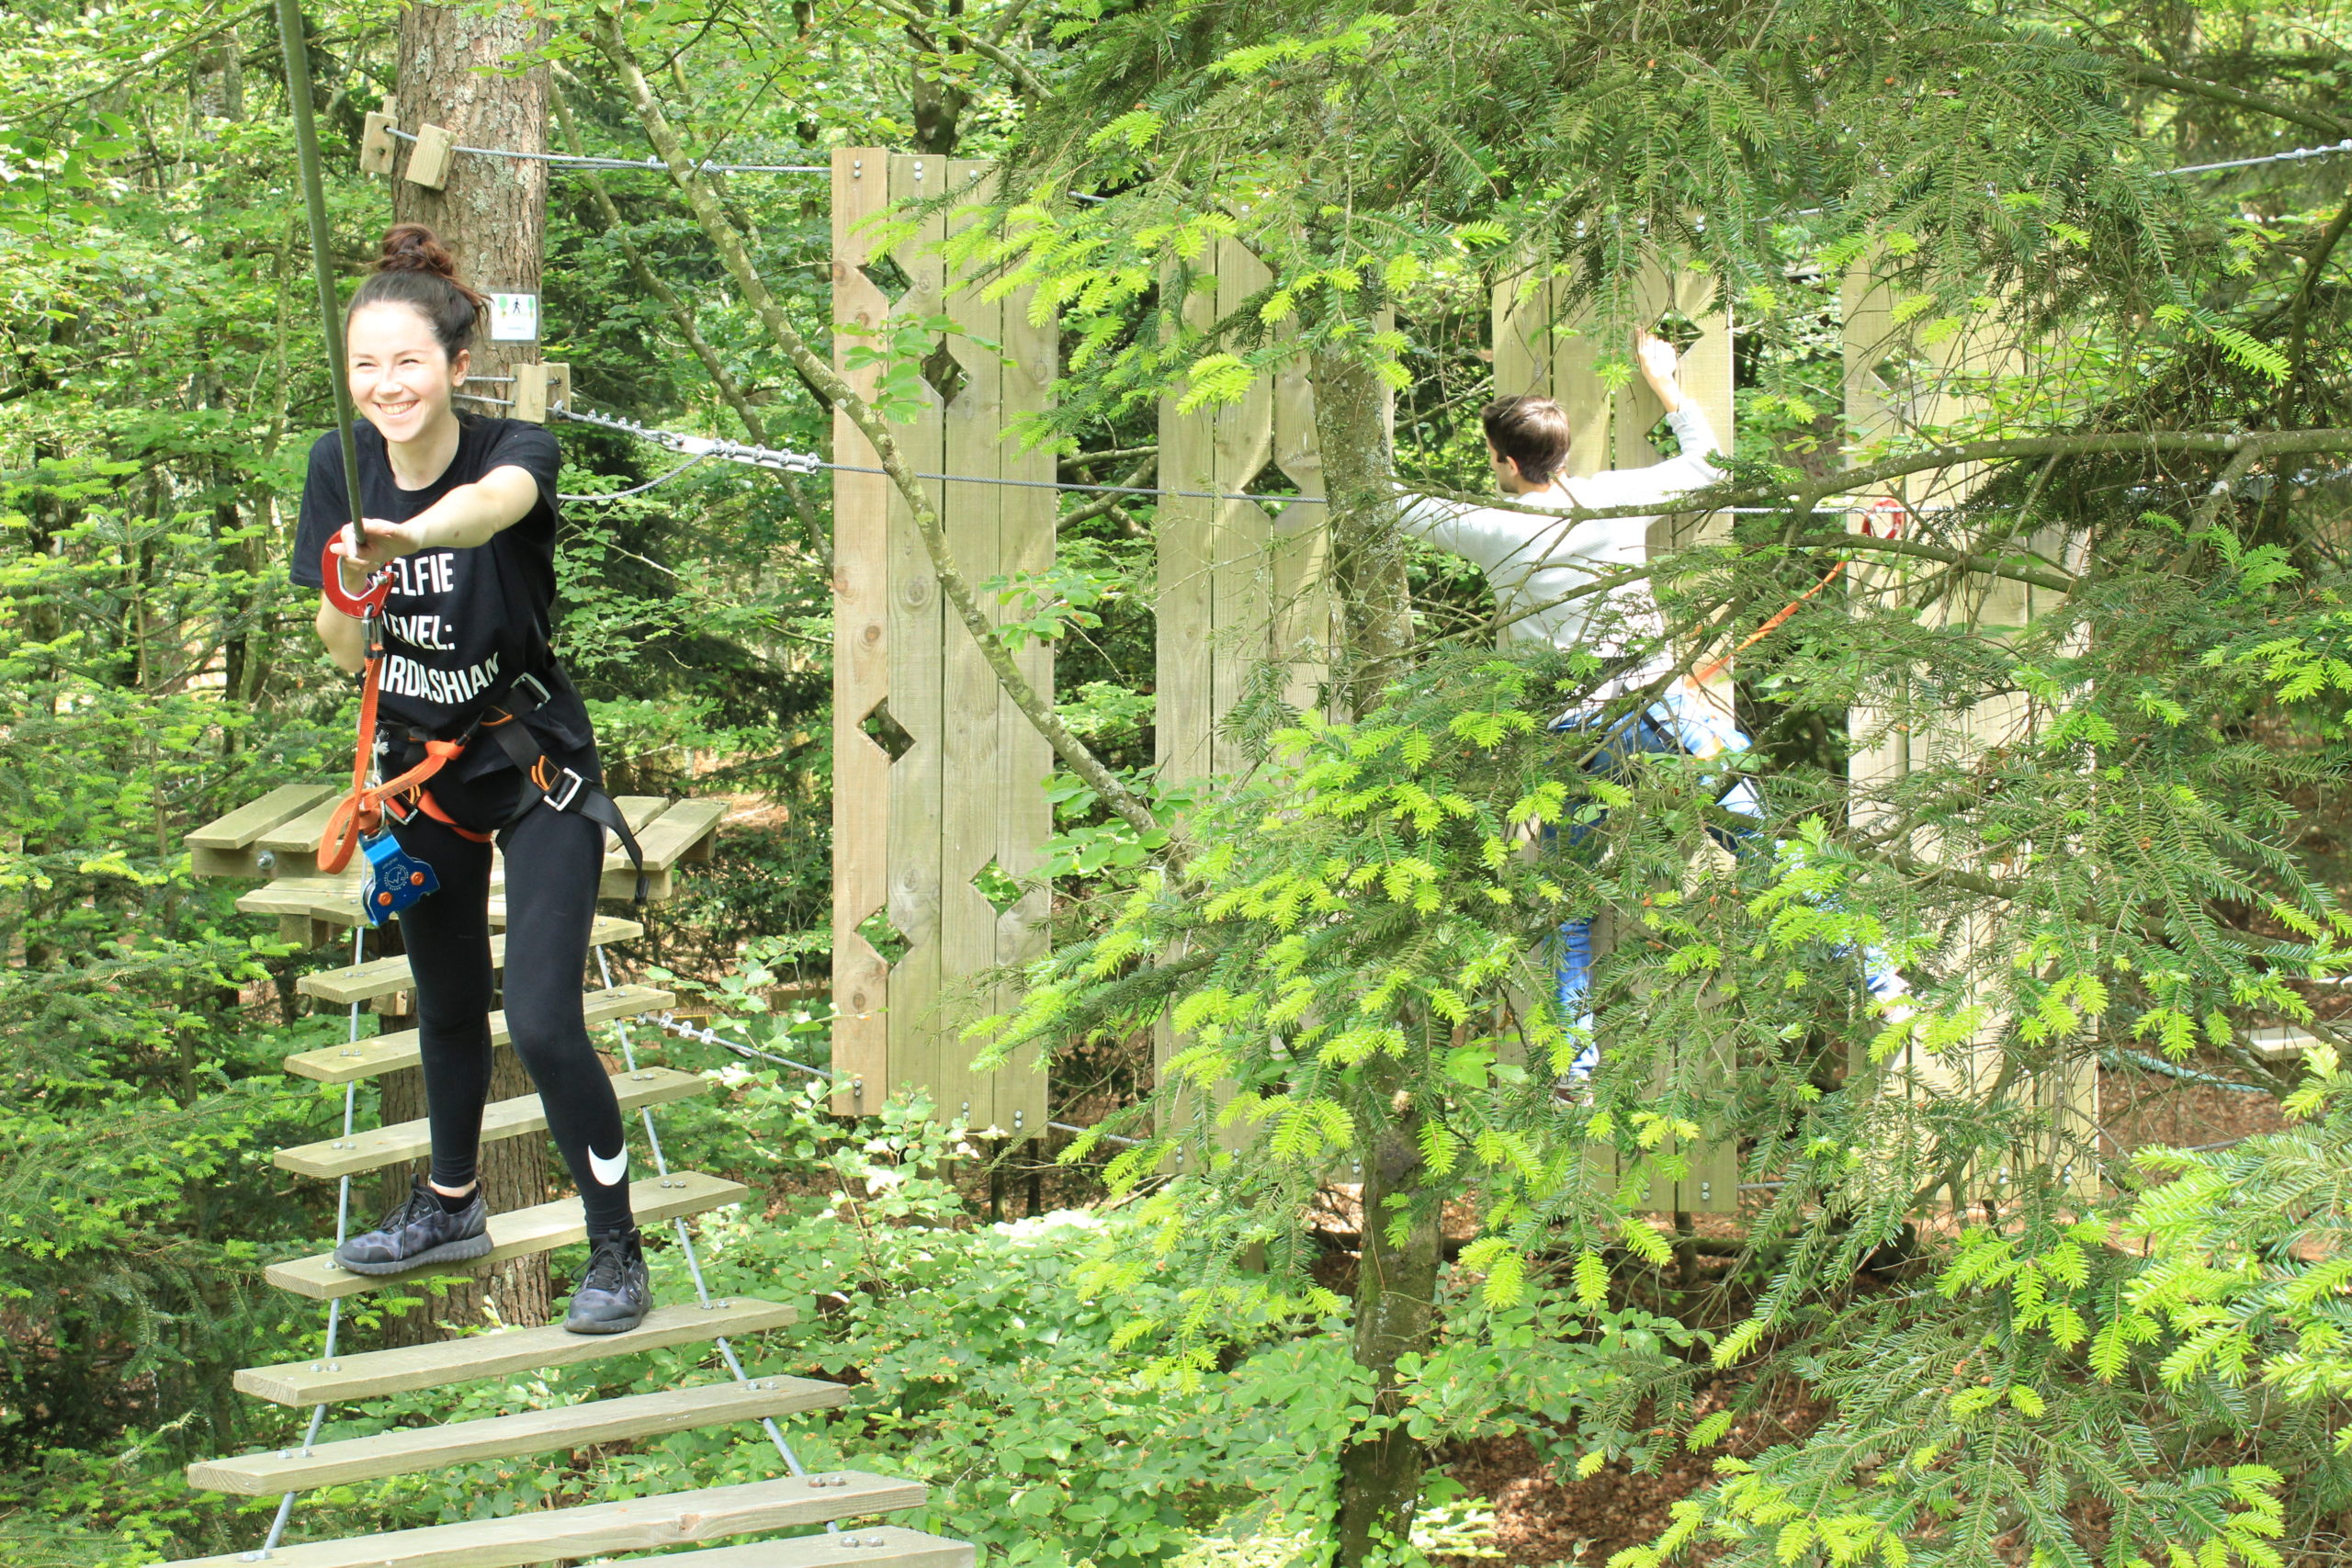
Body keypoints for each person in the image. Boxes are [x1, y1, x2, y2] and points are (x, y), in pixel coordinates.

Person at [293, 223, 650, 1334]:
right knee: (445, 1007)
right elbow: (341, 653)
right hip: (419, 771)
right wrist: (352, 585)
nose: (385, 386)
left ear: (455, 366)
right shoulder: (333, 464)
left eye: (407, 362)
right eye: (365, 365)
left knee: (540, 1018)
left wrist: (405, 536)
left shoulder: (516, 446)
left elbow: (491, 509)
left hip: (530, 759)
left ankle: (615, 1250)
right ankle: (450, 1204)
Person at [1396, 330, 1909, 1077]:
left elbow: (1394, 507)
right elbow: (1704, 463)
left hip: (1572, 735)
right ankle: (1880, 981)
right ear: (1561, 455)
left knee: (1566, 904)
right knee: (1762, 842)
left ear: (1508, 462)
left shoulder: (1490, 527)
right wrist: (1666, 383)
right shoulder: (1614, 497)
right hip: (1657, 711)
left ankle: (1575, 1068)